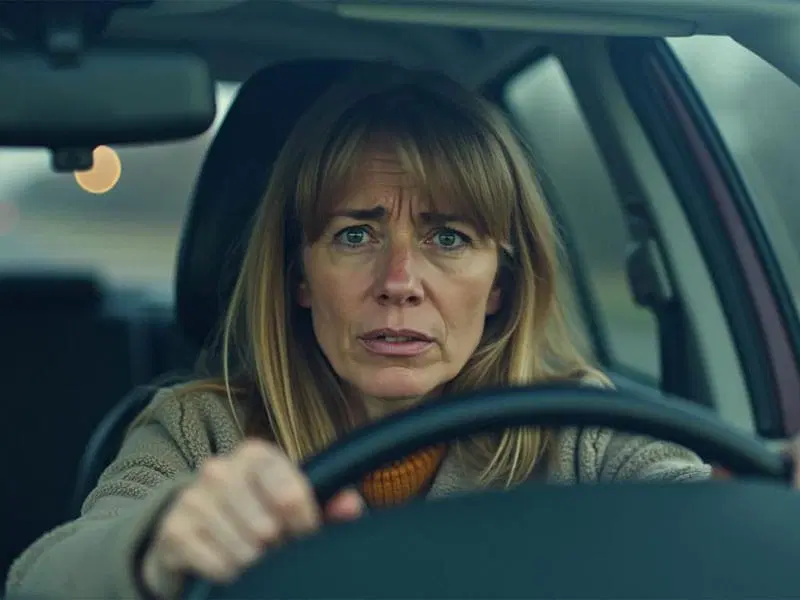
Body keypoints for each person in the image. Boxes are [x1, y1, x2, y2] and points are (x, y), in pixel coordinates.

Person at [6, 64, 800, 600]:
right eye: (355, 234)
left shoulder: (578, 426)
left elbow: (686, 506)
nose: (399, 283)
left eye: (448, 238)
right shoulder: (200, 428)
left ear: (500, 286)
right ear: (299, 279)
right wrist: (161, 540)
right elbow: (39, 580)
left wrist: (749, 508)